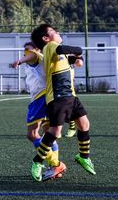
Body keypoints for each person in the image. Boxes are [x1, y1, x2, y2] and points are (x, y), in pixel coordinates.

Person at [30, 24, 95, 182]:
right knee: (54, 131)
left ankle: (83, 156)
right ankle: (37, 162)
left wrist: (78, 58)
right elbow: (73, 50)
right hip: (58, 97)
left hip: (70, 96)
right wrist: (78, 51)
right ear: (46, 38)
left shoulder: (59, 52)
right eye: (54, 32)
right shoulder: (50, 47)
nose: (58, 33)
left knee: (84, 124)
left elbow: (74, 58)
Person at [11, 42, 59, 171]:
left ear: (37, 49)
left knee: (32, 134)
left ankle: (56, 164)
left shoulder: (36, 57)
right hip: (49, 97)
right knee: (49, 134)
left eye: (27, 49)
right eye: (24, 50)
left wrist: (19, 60)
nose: (25, 52)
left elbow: (32, 55)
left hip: (40, 98)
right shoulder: (41, 59)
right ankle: (54, 167)